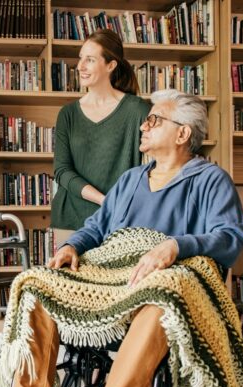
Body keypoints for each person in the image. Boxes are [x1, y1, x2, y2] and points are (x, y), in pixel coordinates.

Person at [0, 89, 243, 387]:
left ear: (182, 134)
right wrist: (73, 245)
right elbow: (96, 227)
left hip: (161, 288)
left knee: (164, 300)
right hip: (110, 279)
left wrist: (176, 246)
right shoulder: (130, 180)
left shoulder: (210, 180)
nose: (144, 124)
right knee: (39, 284)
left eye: (155, 119)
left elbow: (230, 237)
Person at [51, 29, 150, 247]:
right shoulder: (67, 114)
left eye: (90, 60)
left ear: (111, 65)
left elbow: (159, 163)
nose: (80, 67)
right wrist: (105, 201)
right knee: (66, 281)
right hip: (70, 221)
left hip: (121, 221)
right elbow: (62, 171)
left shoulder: (138, 110)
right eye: (80, 59)